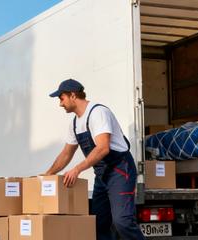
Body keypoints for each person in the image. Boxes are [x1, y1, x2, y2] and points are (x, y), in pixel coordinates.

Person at [43, 79, 145, 240]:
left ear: (72, 95)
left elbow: (103, 148)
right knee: (98, 224)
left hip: (120, 171)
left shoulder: (98, 113)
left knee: (122, 221)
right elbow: (66, 154)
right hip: (102, 175)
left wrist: (77, 169)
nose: (60, 104)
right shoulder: (75, 124)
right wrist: (46, 174)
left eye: (61, 98)